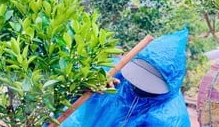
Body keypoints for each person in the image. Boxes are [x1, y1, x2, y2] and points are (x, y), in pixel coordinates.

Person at [61, 28, 190, 126]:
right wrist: (86, 82)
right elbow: (67, 85)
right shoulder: (112, 74)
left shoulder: (171, 117)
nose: (141, 85)